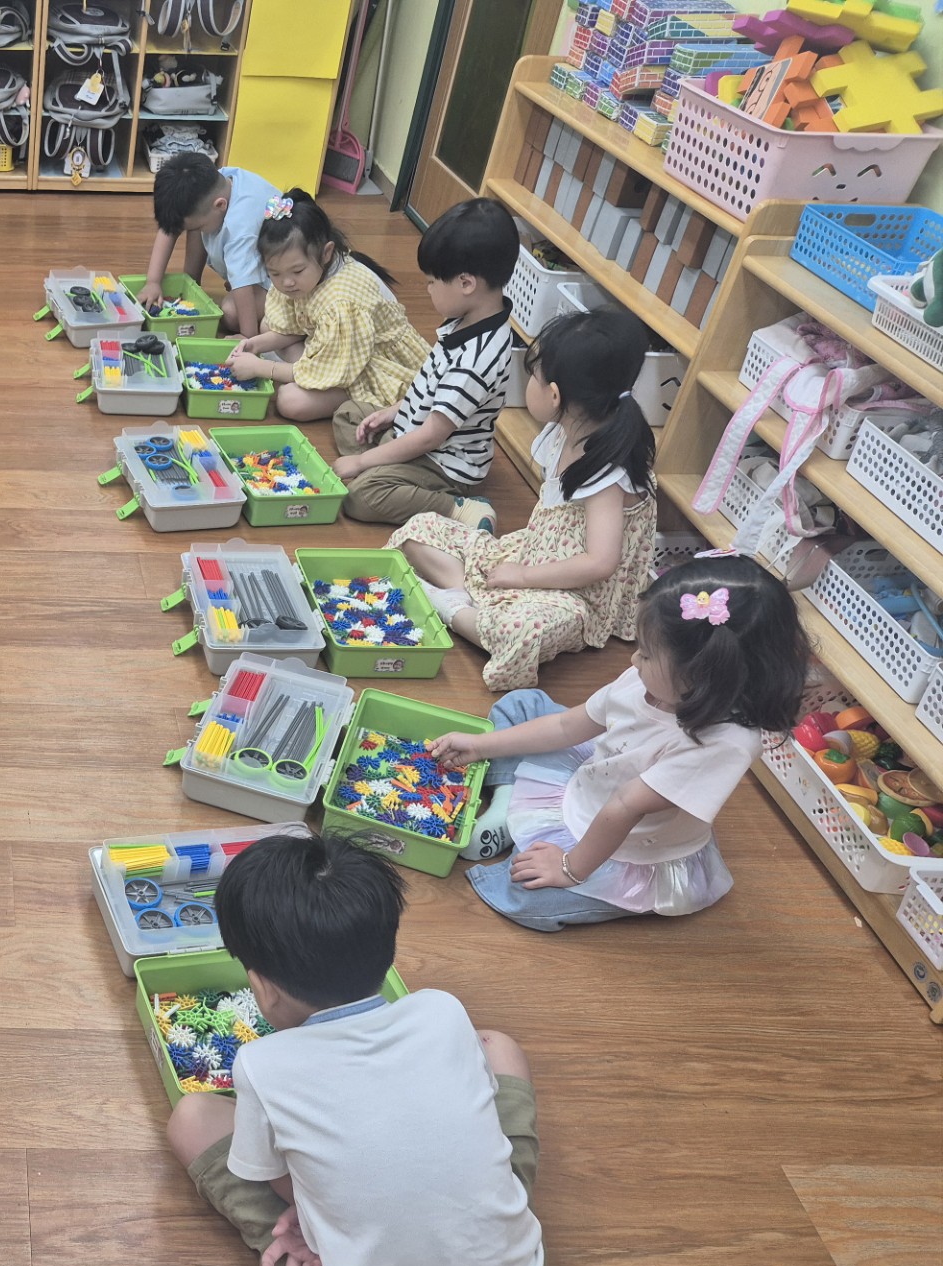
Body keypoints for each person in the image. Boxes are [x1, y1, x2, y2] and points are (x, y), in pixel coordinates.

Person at [165, 833, 544, 1266]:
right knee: (498, 1046)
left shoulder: (261, 1063)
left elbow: (276, 1178)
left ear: (263, 988)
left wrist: (312, 1214)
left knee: (191, 1117)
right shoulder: (441, 1009)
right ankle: (490, 1207)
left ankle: (300, 1248)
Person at [432, 554, 810, 931]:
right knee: (521, 704)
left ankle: (519, 823)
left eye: (646, 654)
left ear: (700, 677)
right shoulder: (646, 680)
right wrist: (479, 746)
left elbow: (623, 808)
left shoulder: (724, 744)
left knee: (525, 893)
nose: (633, 659)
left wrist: (569, 869)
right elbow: (567, 725)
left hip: (625, 845)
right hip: (595, 779)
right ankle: (505, 805)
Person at [392, 307, 657, 692]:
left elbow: (599, 563)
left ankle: (451, 607)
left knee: (522, 631)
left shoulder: (607, 472)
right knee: (419, 529)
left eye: (534, 375)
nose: (528, 382)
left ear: (554, 394)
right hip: (533, 553)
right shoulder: (564, 429)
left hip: (575, 594)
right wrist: (518, 567)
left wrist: (522, 576)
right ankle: (469, 598)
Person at [334, 196, 520, 529]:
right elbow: (431, 386)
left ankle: (458, 507)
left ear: (466, 283)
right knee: (349, 414)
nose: (428, 289)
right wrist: (394, 411)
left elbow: (431, 437)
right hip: (417, 433)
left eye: (433, 282)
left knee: (360, 497)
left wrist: (361, 462)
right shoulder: (467, 318)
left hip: (443, 463)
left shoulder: (476, 360)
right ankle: (387, 468)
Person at [223, 190, 427, 423]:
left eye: (297, 271)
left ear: (326, 253)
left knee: (290, 401)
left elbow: (332, 366)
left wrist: (261, 368)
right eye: (274, 274)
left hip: (370, 366)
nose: (286, 282)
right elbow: (294, 326)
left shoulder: (341, 304)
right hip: (338, 348)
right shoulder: (308, 275)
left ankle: (341, 392)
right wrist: (254, 344)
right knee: (268, 327)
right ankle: (300, 372)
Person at [138, 153, 282, 336]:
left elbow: (243, 284)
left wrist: (248, 338)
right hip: (260, 256)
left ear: (220, 205)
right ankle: (192, 283)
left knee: (231, 313)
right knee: (197, 224)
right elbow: (171, 227)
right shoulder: (215, 183)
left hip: (282, 280)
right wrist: (153, 281)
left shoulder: (239, 229)